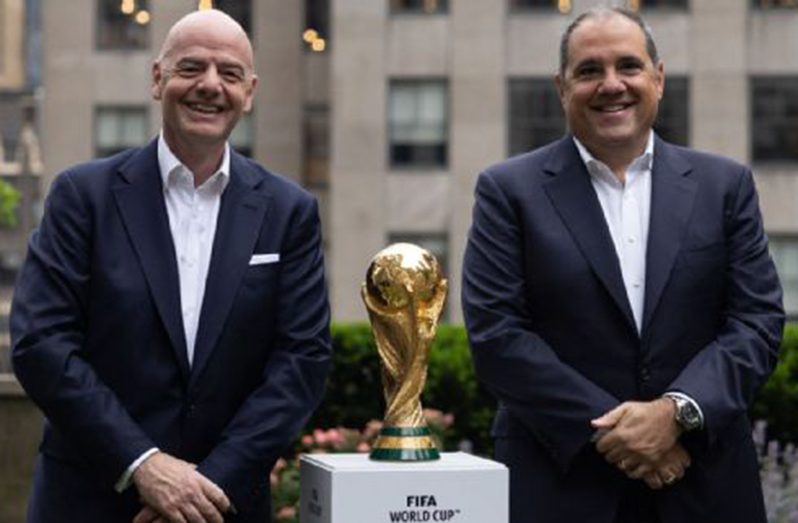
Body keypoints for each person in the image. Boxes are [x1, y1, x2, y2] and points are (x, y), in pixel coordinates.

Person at [462, 7, 784, 523]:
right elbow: (497, 336)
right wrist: (624, 435)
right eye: (589, 71)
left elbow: (756, 323)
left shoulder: (724, 186)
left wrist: (676, 413)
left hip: (703, 482)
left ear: (658, 78)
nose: (611, 85)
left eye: (628, 67)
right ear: (562, 87)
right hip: (561, 486)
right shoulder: (508, 191)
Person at [11, 9, 331, 523]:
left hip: (221, 507)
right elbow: (40, 343)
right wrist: (144, 466)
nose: (209, 85)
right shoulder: (83, 196)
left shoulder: (288, 211)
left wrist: (205, 487)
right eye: (190, 68)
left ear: (249, 92)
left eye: (228, 74)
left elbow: (302, 361)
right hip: (90, 500)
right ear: (157, 79)